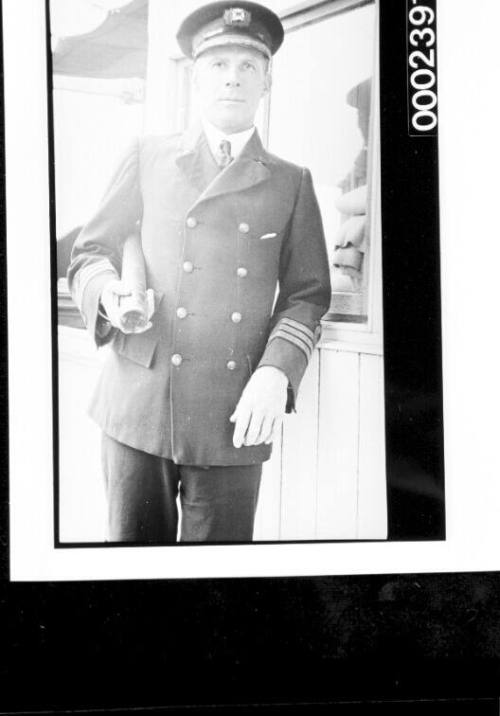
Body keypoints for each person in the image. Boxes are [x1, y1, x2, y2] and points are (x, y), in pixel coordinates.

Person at [67, 0, 331, 544]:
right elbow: (89, 254)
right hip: (138, 407)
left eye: (247, 67)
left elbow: (307, 294)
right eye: (218, 65)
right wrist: (110, 294)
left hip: (234, 413)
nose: (232, 78)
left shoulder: (291, 181)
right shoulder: (146, 156)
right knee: (132, 579)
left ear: (266, 83)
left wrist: (276, 372)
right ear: (195, 78)